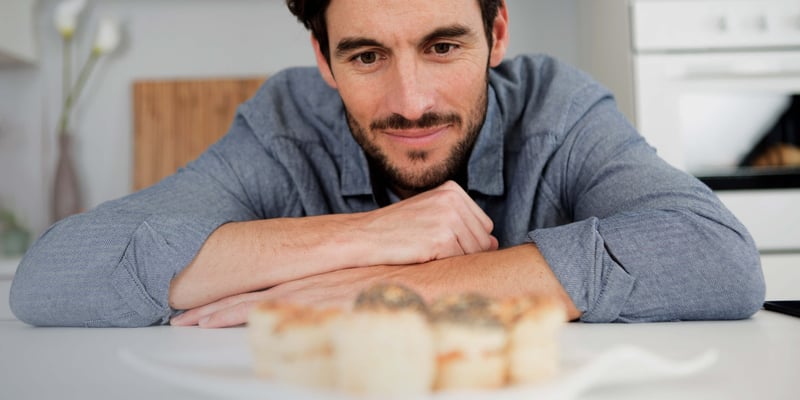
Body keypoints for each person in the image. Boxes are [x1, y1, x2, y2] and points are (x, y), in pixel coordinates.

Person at [10, 0, 765, 328]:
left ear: (496, 33)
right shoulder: (282, 125)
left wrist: (395, 285)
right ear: (323, 60)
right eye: (366, 55)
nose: (411, 102)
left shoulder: (557, 110)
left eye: (443, 46)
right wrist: (368, 237)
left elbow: (717, 258)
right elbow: (57, 275)